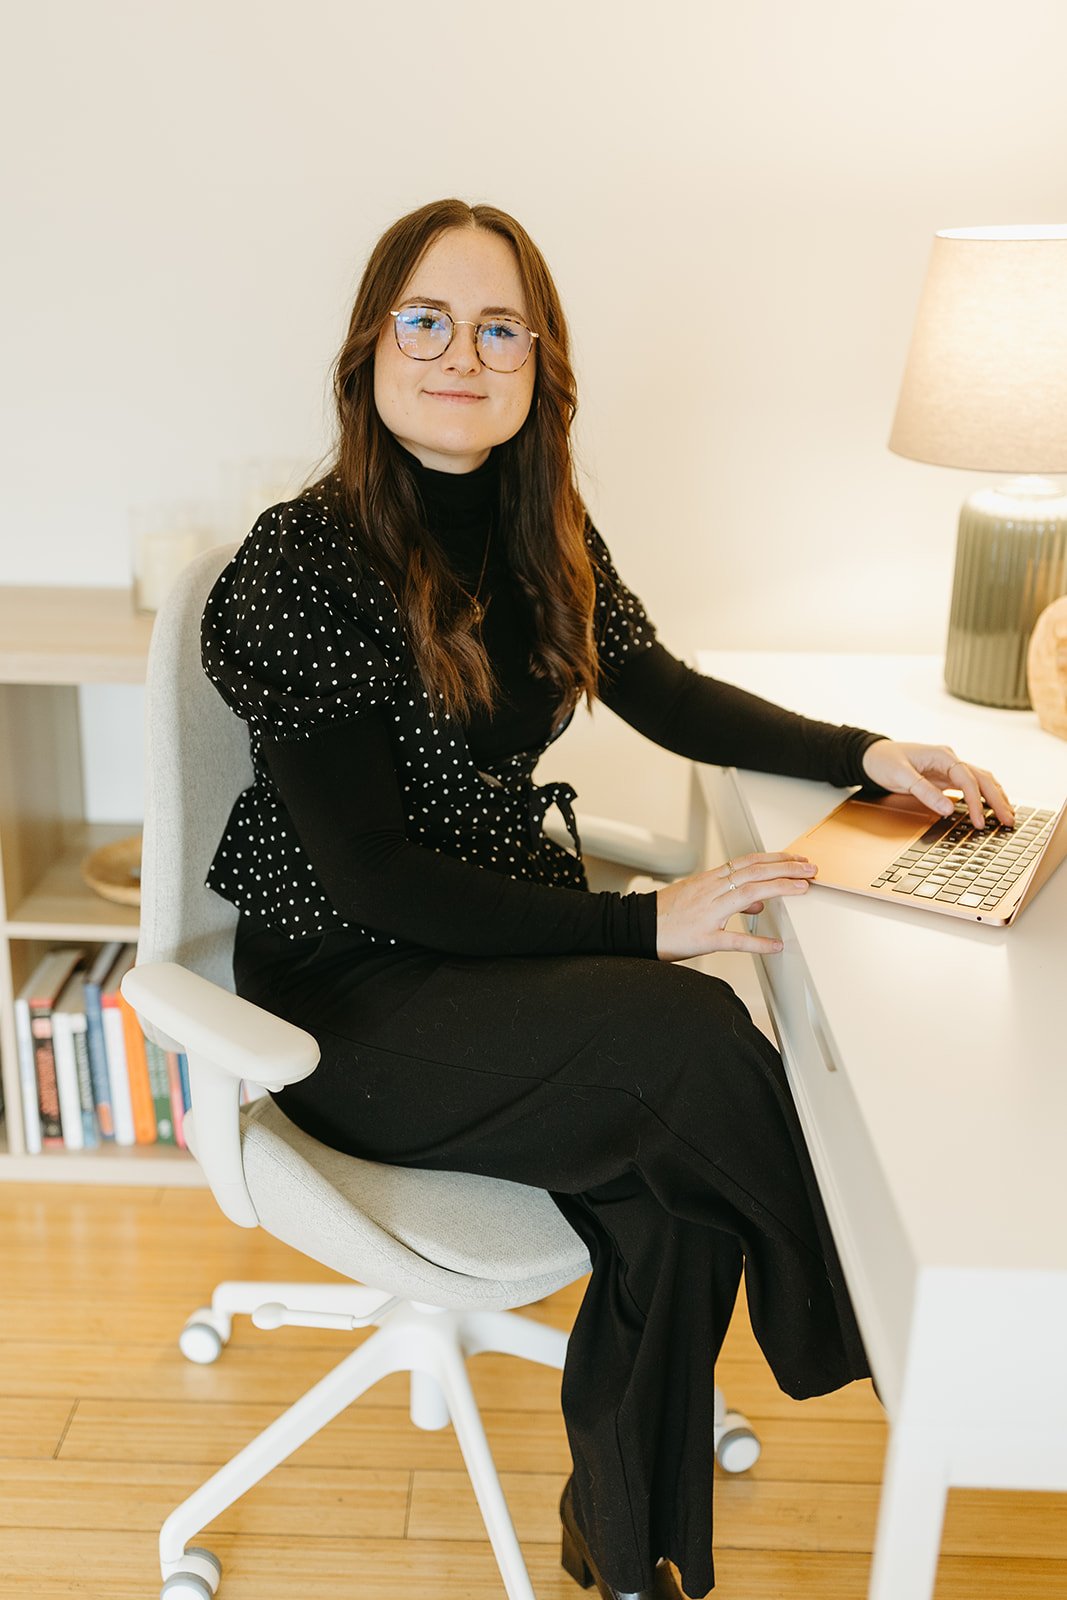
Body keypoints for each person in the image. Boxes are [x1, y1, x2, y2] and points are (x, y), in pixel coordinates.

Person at [201, 198, 1014, 1600]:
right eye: (427, 319)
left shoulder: (541, 526)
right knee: (684, 1037)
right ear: (369, 353)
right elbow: (376, 877)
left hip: (491, 958)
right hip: (353, 998)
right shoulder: (302, 561)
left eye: (499, 327)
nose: (463, 352)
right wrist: (643, 924)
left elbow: (664, 689)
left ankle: (629, 1552)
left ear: (539, 363)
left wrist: (862, 754)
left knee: (676, 1191)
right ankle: (904, 1350)